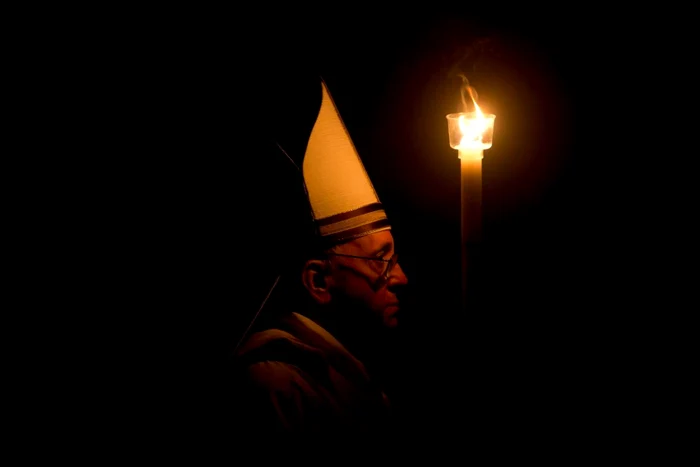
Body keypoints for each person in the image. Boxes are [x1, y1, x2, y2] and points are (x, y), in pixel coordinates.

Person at [231, 76, 409, 436]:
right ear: (318, 280)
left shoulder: (354, 376)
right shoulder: (276, 384)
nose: (402, 278)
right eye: (382, 260)